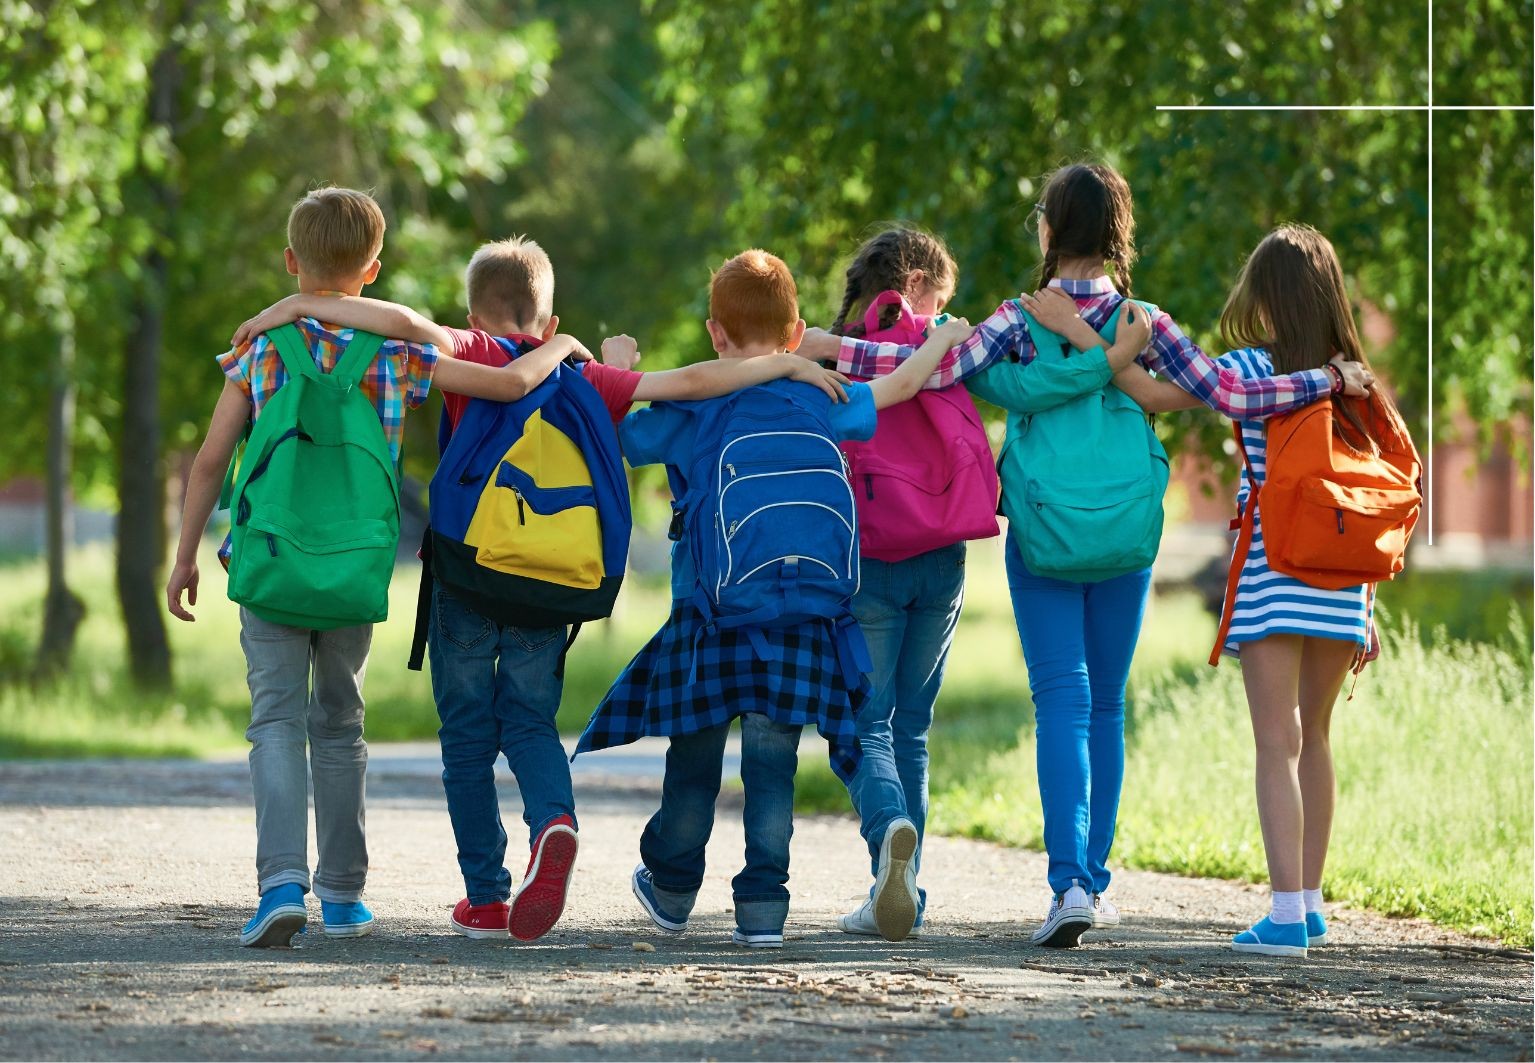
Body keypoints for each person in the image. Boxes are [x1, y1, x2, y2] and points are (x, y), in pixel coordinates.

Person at [797, 162, 1374, 948]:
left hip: (1042, 530)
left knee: (1061, 703)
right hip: (1126, 535)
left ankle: (1066, 880)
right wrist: (1327, 377)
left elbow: (918, 370)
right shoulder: (1146, 319)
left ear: (1048, 229)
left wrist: (828, 348)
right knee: (1106, 705)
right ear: (1117, 233)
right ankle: (1092, 885)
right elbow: (1226, 392)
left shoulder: (1013, 319)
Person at [229, 236, 850, 942]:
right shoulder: (585, 375)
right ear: (549, 324)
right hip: (550, 582)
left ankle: (485, 898)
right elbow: (691, 383)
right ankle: (554, 818)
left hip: (468, 575)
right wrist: (789, 363)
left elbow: (398, 322)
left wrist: (289, 305)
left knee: (466, 737)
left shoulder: (471, 357)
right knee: (528, 720)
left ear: (472, 312)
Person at [166, 189, 591, 948]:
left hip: (270, 562)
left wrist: (183, 554)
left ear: (291, 262)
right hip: (354, 569)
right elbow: (508, 385)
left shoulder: (260, 349)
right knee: (340, 723)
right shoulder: (399, 355)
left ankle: (279, 885)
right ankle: (343, 895)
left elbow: (208, 461)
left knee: (274, 719)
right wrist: (561, 347)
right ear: (373, 268)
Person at [575, 249, 975, 947]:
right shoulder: (820, 393)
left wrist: (619, 363)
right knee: (771, 764)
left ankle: (671, 886)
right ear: (795, 331)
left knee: (693, 761)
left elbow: (609, 439)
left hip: (711, 615)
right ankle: (763, 907)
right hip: (802, 614)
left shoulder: (694, 402)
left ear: (714, 333)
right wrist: (941, 338)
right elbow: (902, 387)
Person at [1114, 224, 1408, 958]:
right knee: (1315, 740)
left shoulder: (1249, 367)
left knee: (1273, 742)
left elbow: (1182, 387)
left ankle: (1281, 915)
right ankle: (1307, 906)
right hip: (1343, 582)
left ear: (1268, 296)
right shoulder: (1356, 380)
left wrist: (1115, 341)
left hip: (1276, 572)